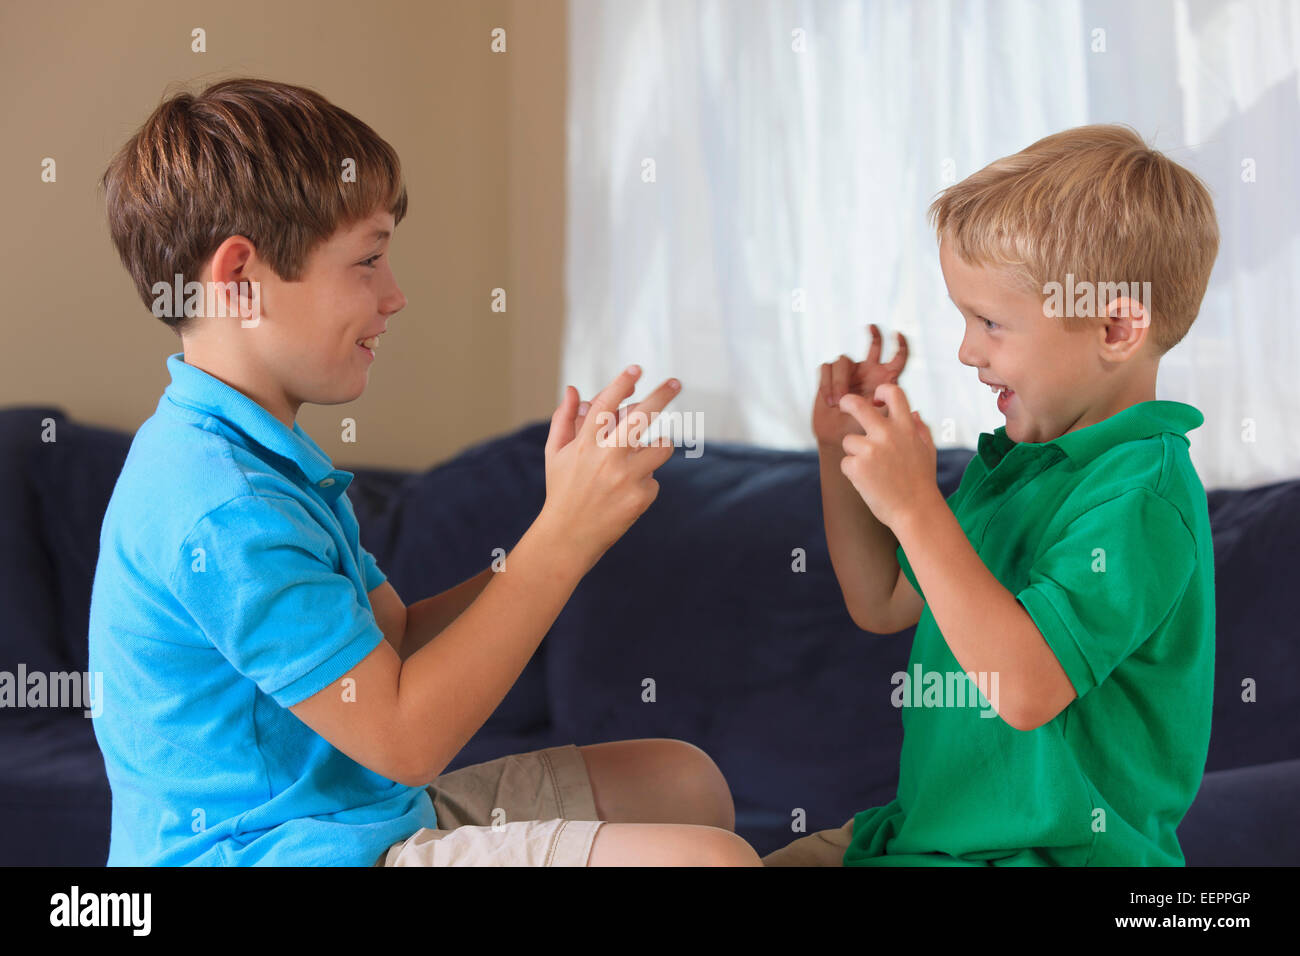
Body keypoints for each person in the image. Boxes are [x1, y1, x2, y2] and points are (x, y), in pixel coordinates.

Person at [89, 77, 761, 867]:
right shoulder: (220, 505)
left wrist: (566, 523)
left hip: (356, 820)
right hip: (279, 855)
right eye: (367, 260)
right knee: (709, 864)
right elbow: (406, 742)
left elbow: (395, 642)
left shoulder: (263, 457)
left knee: (684, 782)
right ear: (241, 280)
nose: (395, 295)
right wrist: (562, 541)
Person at [765, 125, 1219, 866]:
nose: (966, 349)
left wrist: (916, 506)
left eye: (990, 323)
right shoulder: (1019, 465)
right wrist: (836, 449)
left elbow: (1027, 688)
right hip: (929, 836)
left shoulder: (1141, 499)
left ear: (1114, 326)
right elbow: (880, 600)